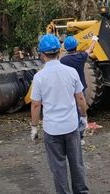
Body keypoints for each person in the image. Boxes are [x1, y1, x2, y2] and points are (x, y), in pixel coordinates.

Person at [31, 34, 89, 194]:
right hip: (71, 127)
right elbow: (80, 98)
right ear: (59, 52)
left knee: (58, 167)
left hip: (52, 130)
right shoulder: (71, 72)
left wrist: (34, 127)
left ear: (42, 54)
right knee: (77, 163)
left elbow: (36, 105)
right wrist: (83, 117)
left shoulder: (39, 77)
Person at [61, 35, 98, 146]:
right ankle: (80, 136)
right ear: (76, 46)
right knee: (81, 111)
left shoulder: (63, 60)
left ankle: (70, 135)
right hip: (81, 88)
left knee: (71, 111)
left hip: (69, 89)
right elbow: (89, 50)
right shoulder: (81, 57)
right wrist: (94, 40)